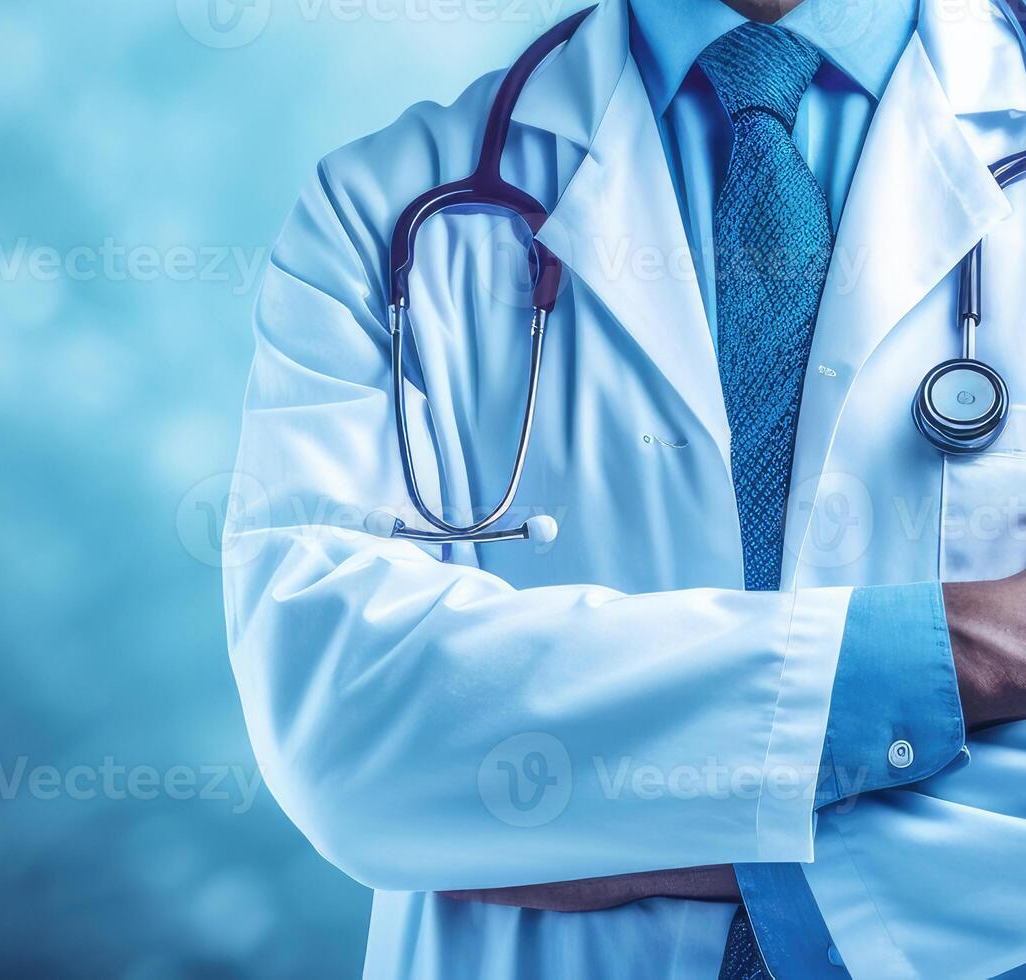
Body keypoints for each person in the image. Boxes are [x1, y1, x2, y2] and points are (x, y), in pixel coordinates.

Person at [224, 0, 1026, 976]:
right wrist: (953, 654)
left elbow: (455, 777)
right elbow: (353, 730)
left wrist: (589, 816)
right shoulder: (380, 207)